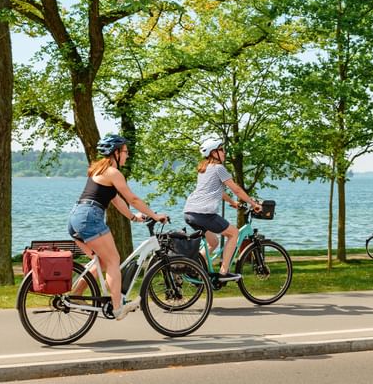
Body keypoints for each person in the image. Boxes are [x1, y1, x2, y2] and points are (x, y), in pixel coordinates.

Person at [68, 134, 168, 321]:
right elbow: (133, 198)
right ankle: (117, 307)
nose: (127, 155)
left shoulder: (98, 172)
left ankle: (77, 294)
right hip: (90, 217)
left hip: (77, 217)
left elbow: (116, 200)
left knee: (103, 261)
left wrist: (133, 217)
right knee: (114, 260)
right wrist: (155, 215)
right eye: (125, 152)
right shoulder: (114, 173)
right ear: (116, 152)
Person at [183, 137, 261, 282]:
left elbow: (216, 191)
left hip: (189, 213)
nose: (224, 152)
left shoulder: (204, 169)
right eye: (221, 149)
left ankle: (194, 268)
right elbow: (236, 189)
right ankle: (224, 273)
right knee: (234, 233)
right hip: (204, 214)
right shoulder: (219, 168)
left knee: (213, 243)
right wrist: (252, 203)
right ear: (213, 153)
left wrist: (233, 202)